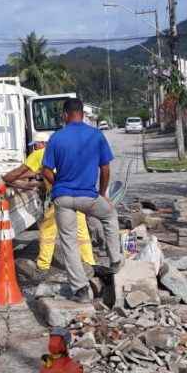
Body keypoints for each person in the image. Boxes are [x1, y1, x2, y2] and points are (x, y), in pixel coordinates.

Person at [41, 98, 123, 303]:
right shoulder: (96, 135)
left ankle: (80, 291)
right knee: (110, 215)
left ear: (65, 115)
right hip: (89, 196)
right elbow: (105, 169)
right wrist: (103, 193)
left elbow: (46, 171)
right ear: (83, 114)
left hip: (64, 198)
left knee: (69, 241)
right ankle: (115, 261)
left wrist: (59, 183)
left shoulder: (56, 138)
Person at [0, 132, 96, 273]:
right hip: (79, 193)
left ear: (43, 144)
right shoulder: (63, 151)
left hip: (62, 197)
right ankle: (89, 262)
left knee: (47, 229)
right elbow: (37, 172)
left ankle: (43, 265)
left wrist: (4, 179)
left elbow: (19, 171)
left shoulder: (40, 154)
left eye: (36, 145)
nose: (34, 148)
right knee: (81, 230)